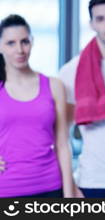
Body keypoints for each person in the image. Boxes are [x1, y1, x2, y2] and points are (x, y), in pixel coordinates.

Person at [58, 0, 105, 198]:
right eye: (101, 19)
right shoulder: (71, 72)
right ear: (91, 24)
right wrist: (70, 185)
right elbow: (60, 136)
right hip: (93, 180)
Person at [0, 14, 76, 197]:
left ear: (32, 42)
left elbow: (63, 144)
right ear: (0, 46)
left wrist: (69, 194)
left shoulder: (54, 86)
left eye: (24, 41)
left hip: (50, 186)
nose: (19, 50)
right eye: (11, 43)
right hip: (7, 189)